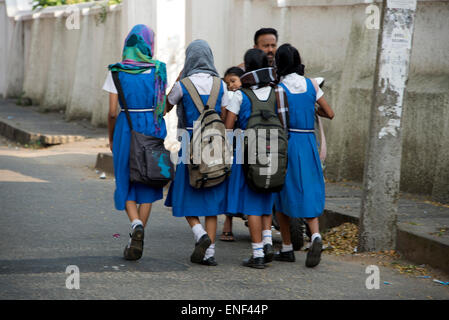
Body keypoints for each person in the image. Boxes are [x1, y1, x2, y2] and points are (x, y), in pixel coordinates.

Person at [102, 24, 168, 261]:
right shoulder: (159, 70)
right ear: (149, 44)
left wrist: (111, 137)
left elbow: (111, 112)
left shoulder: (116, 71)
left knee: (125, 178)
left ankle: (135, 224)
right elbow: (162, 106)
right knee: (148, 181)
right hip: (151, 127)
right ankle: (137, 235)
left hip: (125, 129)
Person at [164, 39, 230, 266]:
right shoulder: (221, 84)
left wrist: (178, 79)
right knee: (211, 201)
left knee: (183, 195)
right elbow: (227, 112)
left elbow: (165, 107)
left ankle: (199, 232)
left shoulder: (184, 85)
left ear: (189, 58)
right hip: (215, 147)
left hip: (189, 145)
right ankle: (210, 254)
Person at [273, 44, 334, 267]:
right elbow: (330, 113)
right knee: (308, 189)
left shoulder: (279, 88)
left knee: (282, 193)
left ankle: (287, 247)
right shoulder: (312, 84)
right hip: (309, 142)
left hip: (288, 143)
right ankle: (316, 236)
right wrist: (311, 111)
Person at [225, 49, 278, 269]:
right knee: (266, 195)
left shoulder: (240, 95)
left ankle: (257, 253)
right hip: (274, 148)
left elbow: (228, 127)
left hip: (246, 151)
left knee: (251, 204)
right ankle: (267, 240)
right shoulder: (277, 92)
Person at [220, 66, 244, 242]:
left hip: (247, 143)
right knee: (231, 182)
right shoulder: (229, 98)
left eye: (234, 81)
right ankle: (227, 224)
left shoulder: (247, 96)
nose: (230, 86)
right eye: (227, 83)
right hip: (233, 144)